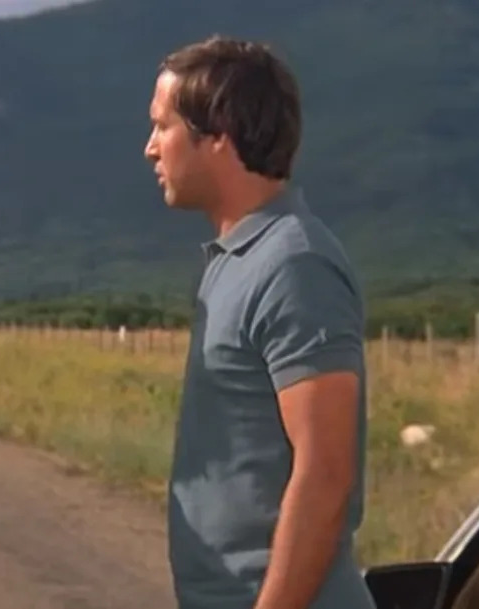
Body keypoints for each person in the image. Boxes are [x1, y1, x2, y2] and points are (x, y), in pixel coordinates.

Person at [143, 36, 376, 609]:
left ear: (217, 134)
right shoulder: (239, 260)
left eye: (163, 126)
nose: (151, 148)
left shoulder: (294, 265)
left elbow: (324, 474)